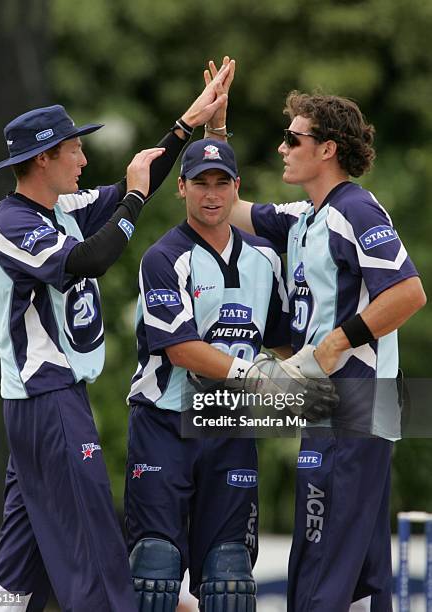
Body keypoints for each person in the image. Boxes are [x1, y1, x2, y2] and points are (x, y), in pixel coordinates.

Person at [0, 61, 234, 612]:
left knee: (17, 562)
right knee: (96, 555)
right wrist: (135, 200)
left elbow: (134, 185)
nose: (84, 158)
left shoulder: (59, 207)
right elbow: (92, 258)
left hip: (47, 403)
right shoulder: (11, 222)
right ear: (44, 157)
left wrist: (187, 125)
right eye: (74, 149)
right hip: (49, 401)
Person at [226, 90, 427, 611]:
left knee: (318, 571)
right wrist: (214, 134)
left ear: (327, 150)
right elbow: (222, 204)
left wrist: (335, 342)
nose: (282, 148)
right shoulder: (305, 216)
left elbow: (408, 293)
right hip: (340, 408)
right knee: (365, 582)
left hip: (354, 403)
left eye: (294, 138)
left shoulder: (355, 208)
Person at [124, 137, 337, 612]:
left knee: (229, 577)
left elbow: (286, 342)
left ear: (236, 187)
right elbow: (181, 350)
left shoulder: (264, 257)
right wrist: (256, 376)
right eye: (201, 183)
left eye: (223, 183)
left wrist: (319, 375)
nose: (212, 194)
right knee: (153, 572)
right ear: (181, 188)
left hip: (229, 423)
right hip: (165, 421)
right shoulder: (163, 258)